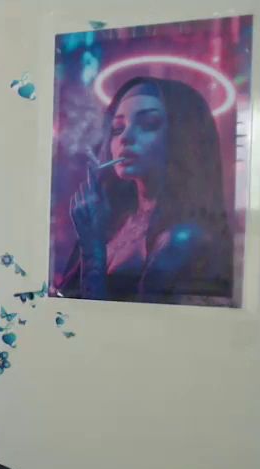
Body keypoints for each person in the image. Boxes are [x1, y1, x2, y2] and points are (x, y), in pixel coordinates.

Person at [57, 76, 234, 304]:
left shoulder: (182, 238)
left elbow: (132, 322)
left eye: (149, 123)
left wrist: (92, 248)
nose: (125, 137)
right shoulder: (118, 219)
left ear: (182, 137)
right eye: (117, 128)